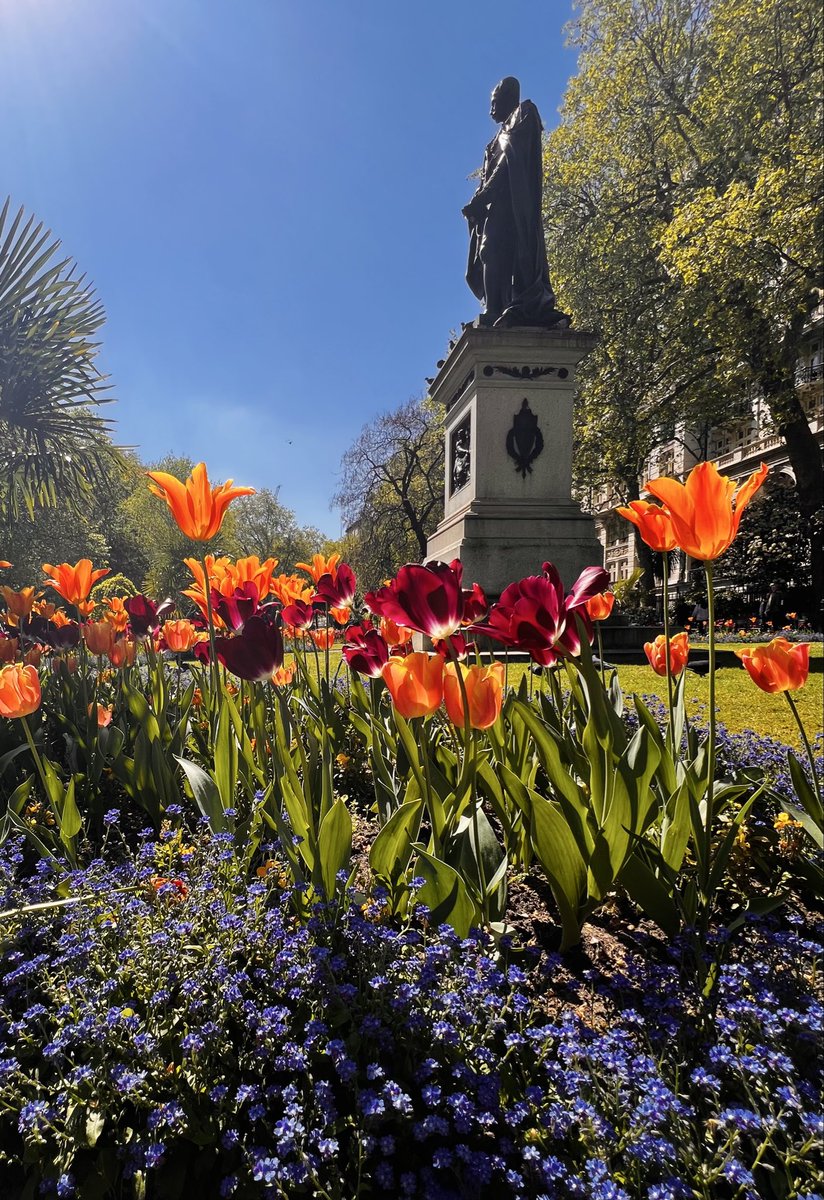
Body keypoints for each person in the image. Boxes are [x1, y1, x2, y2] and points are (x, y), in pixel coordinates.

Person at [462, 77, 566, 328]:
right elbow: (489, 172)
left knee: (494, 249)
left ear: (509, 99)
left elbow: (509, 161)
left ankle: (496, 309)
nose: (491, 110)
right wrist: (477, 202)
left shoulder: (523, 113)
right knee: (489, 252)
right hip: (494, 206)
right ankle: (495, 307)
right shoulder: (493, 141)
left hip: (514, 202)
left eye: (495, 103)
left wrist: (484, 195)